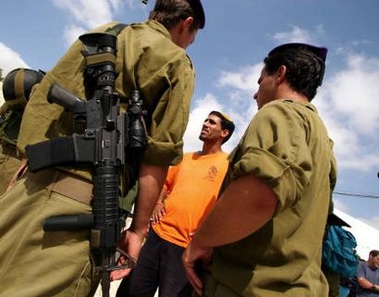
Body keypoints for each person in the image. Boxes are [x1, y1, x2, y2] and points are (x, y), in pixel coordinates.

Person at [0, 1, 205, 296]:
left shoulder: (104, 32)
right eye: (192, 37)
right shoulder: (175, 61)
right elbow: (157, 156)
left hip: (26, 188)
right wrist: (138, 230)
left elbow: (43, 103)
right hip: (82, 206)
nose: (189, 44)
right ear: (186, 23)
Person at [182, 43, 337, 297]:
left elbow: (257, 196)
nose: (256, 94)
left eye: (260, 81)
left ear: (280, 74)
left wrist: (201, 241)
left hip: (248, 286)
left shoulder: (279, 112)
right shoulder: (323, 139)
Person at [116, 111, 235, 297]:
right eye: (205, 120)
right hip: (157, 236)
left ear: (224, 133)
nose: (205, 124)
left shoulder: (227, 166)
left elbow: (228, 207)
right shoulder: (185, 158)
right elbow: (164, 185)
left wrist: (211, 237)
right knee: (131, 292)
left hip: (186, 248)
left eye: (212, 122)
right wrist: (157, 203)